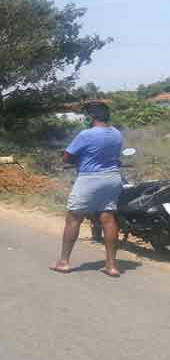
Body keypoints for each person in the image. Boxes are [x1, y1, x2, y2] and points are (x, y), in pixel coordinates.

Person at [51, 102, 123, 277]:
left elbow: (67, 157)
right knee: (108, 217)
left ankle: (63, 262)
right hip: (113, 178)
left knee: (74, 217)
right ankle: (111, 265)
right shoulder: (117, 133)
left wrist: (77, 162)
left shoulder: (86, 134)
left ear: (91, 118)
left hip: (90, 179)